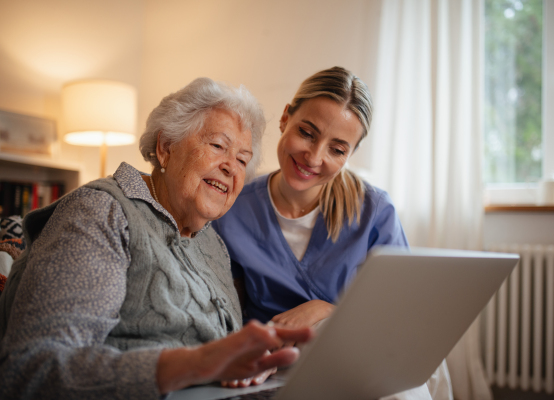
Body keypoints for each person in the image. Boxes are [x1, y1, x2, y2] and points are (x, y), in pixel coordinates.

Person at [0, 77, 312, 400]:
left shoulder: (213, 245)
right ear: (165, 148)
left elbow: (220, 357)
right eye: (218, 146)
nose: (231, 168)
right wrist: (193, 365)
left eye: (243, 159)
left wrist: (250, 364)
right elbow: (31, 368)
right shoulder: (102, 212)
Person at [212, 67, 453, 399]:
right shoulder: (233, 209)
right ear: (285, 118)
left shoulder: (374, 212)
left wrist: (330, 311)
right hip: (280, 364)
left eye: (337, 150)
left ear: (350, 155)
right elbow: (223, 308)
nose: (314, 157)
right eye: (307, 133)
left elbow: (404, 316)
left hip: (364, 360)